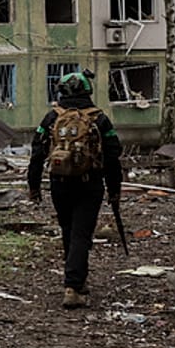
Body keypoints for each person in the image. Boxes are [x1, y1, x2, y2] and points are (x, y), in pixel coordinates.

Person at [27, 70, 123, 309]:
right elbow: (113, 156)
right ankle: (73, 285)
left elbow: (36, 153)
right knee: (81, 233)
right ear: (87, 89)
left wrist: (34, 186)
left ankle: (76, 280)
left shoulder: (51, 118)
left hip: (59, 184)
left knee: (69, 230)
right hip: (89, 185)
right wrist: (114, 189)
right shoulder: (99, 119)